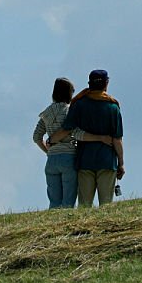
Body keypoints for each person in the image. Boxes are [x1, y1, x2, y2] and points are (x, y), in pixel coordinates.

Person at [33, 76, 115, 208]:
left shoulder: (46, 113)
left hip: (51, 160)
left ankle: (53, 225)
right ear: (69, 93)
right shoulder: (69, 111)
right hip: (69, 157)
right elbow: (77, 133)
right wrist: (100, 138)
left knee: (54, 202)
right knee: (68, 202)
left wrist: (49, 151)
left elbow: (36, 136)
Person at [49, 68, 124, 207]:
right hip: (107, 161)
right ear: (106, 83)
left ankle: (82, 229)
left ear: (89, 84)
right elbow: (117, 139)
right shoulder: (113, 107)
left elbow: (67, 129)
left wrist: (51, 140)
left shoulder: (79, 104)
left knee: (84, 205)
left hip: (84, 161)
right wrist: (121, 163)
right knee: (106, 204)